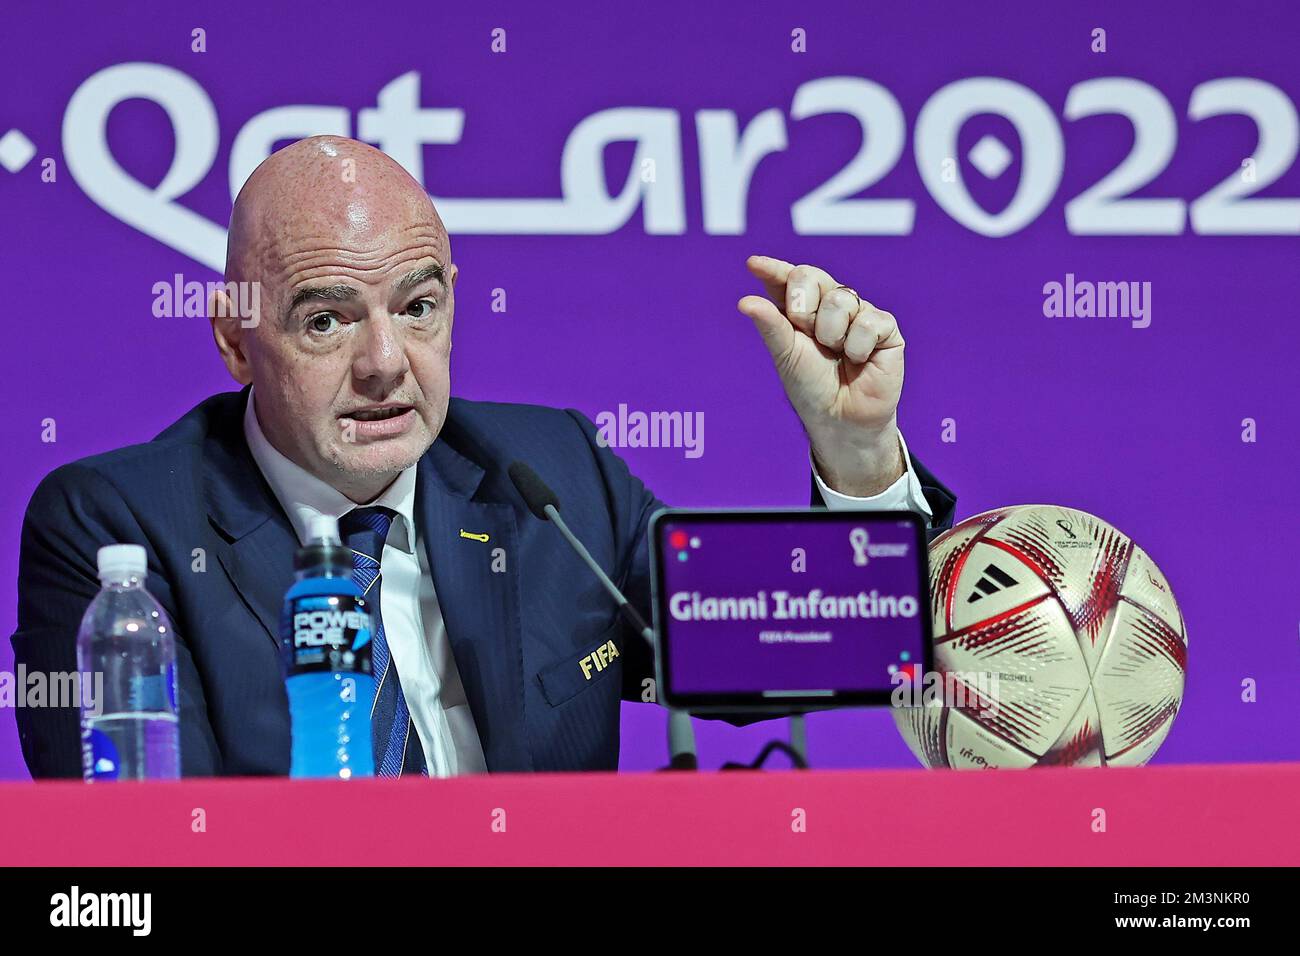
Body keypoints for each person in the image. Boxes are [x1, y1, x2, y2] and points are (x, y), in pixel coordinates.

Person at [12, 136, 955, 777]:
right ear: (234, 338)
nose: (386, 365)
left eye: (418, 308)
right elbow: (140, 848)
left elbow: (786, 654)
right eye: (327, 320)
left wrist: (859, 453)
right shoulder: (120, 526)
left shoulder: (546, 475)